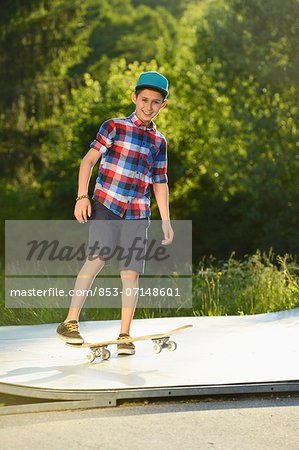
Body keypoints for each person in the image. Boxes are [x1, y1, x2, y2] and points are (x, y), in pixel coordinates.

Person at [56, 71, 174, 355]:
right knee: (96, 259)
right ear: (134, 98)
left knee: (130, 274)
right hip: (107, 204)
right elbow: (88, 161)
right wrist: (82, 196)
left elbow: (160, 181)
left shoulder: (159, 141)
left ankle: (124, 335)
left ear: (162, 106)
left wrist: (166, 221)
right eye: (144, 99)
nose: (148, 106)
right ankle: (70, 322)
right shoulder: (114, 127)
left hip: (138, 212)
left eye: (155, 102)